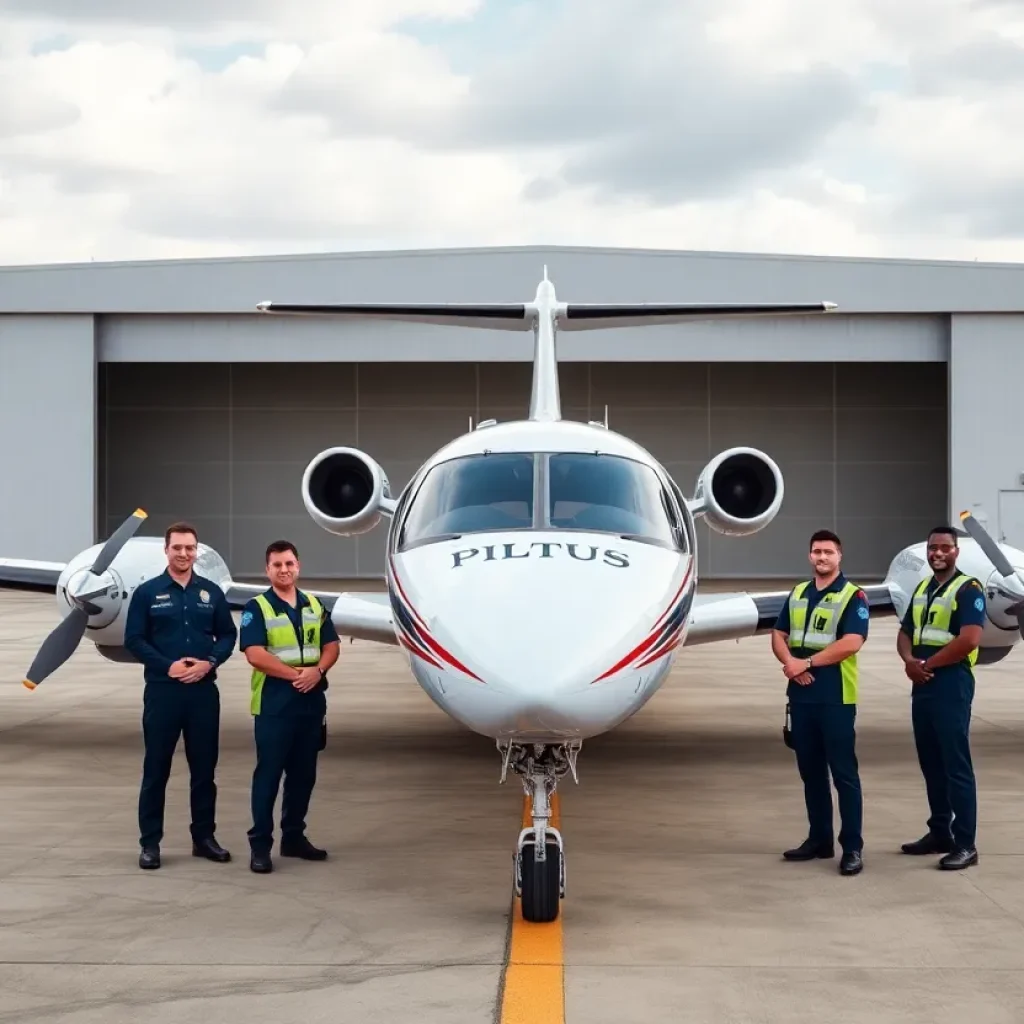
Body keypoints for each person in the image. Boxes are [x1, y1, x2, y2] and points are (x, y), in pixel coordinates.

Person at [123, 521, 238, 870]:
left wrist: (210, 662)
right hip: (163, 692)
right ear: (167, 550)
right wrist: (167, 666)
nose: (184, 554)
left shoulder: (211, 593)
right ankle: (150, 844)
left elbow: (228, 636)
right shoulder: (147, 593)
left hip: (203, 692)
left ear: (196, 551)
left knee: (204, 771)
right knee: (155, 770)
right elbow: (134, 639)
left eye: (190, 548)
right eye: (178, 548)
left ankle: (203, 838)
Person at [771, 529, 870, 876]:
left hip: (836, 698)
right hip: (801, 697)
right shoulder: (798, 593)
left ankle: (853, 847)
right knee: (810, 773)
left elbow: (852, 642)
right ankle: (820, 839)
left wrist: (807, 663)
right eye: (817, 552)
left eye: (828, 552)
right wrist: (790, 665)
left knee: (844, 775)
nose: (822, 557)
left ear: (839, 556)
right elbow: (778, 634)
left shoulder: (852, 596)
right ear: (809, 556)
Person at [240, 540, 340, 874]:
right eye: (277, 565)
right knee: (268, 775)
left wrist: (319, 671)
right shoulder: (258, 607)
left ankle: (294, 838)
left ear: (298, 566)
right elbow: (254, 653)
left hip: (311, 704)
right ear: (267, 570)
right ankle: (260, 846)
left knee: (303, 775)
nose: (284, 570)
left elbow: (331, 645)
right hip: (274, 704)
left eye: (289, 564)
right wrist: (297, 675)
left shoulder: (314, 604)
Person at [897, 525, 985, 870]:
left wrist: (926, 664)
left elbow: (970, 639)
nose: (938, 553)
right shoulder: (922, 589)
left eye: (945, 548)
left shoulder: (969, 589)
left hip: (951, 682)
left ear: (956, 552)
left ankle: (966, 843)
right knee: (931, 761)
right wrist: (909, 662)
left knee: (955, 764)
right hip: (922, 682)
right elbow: (905, 632)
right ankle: (940, 832)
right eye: (933, 547)